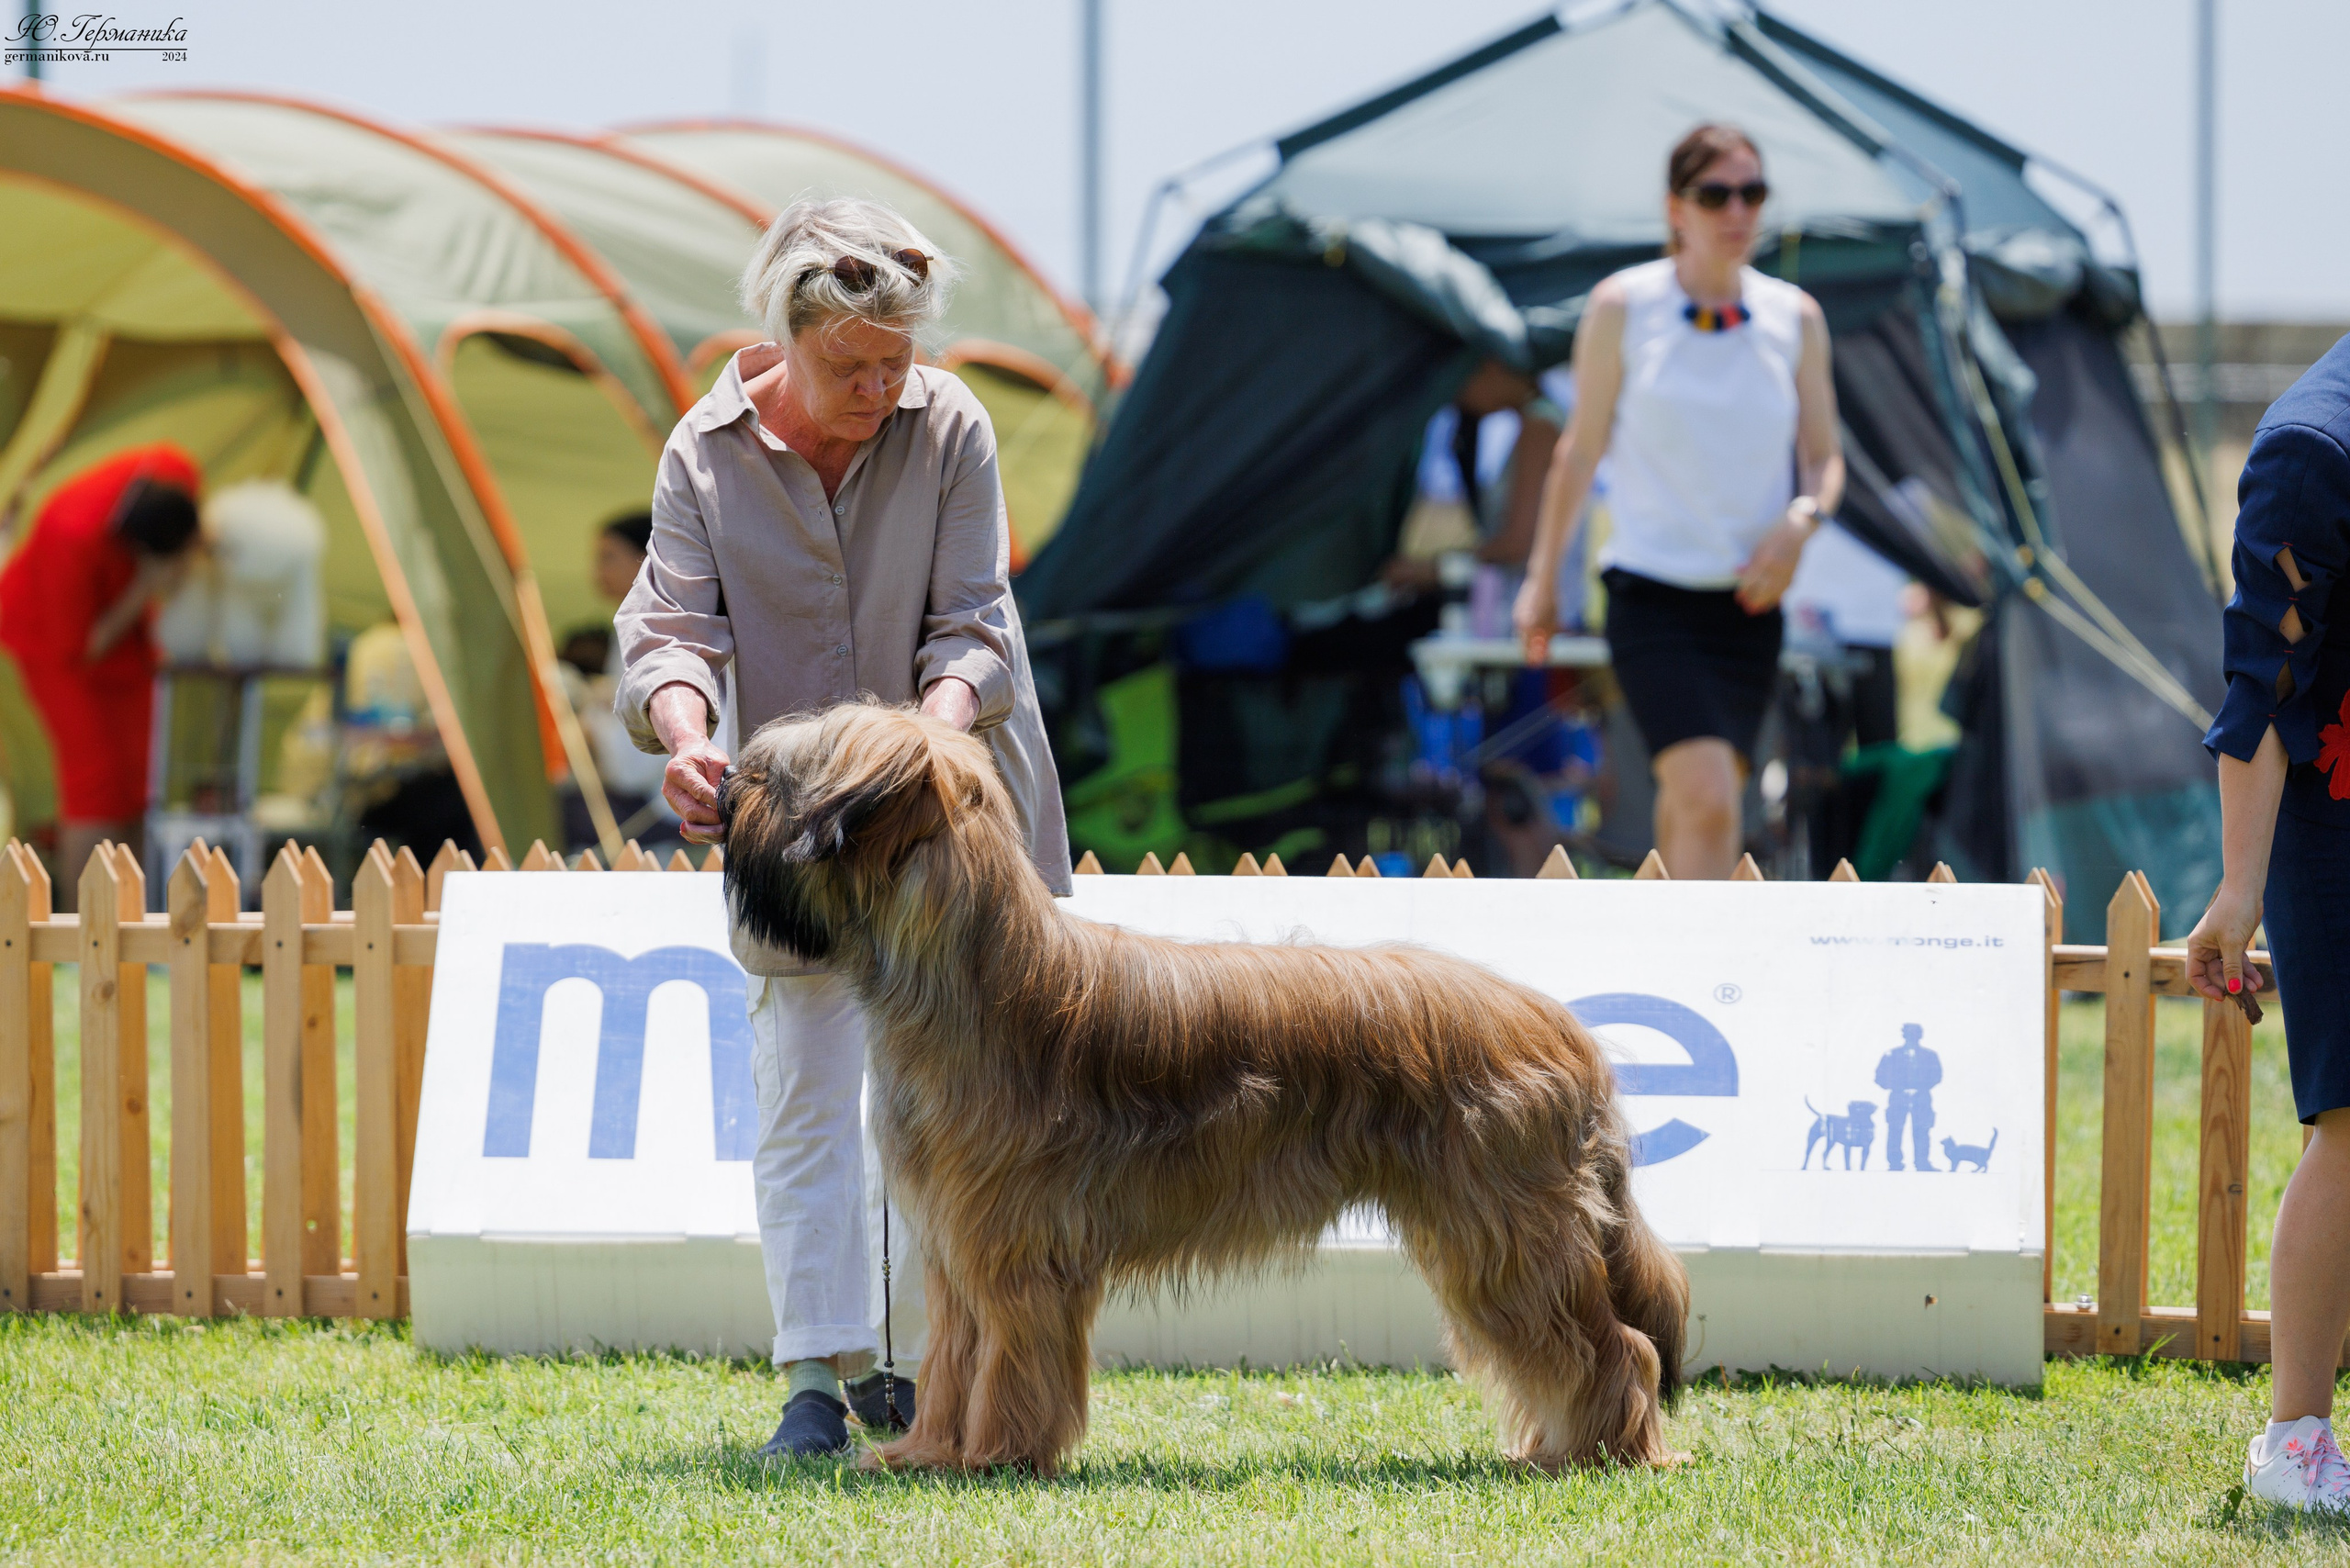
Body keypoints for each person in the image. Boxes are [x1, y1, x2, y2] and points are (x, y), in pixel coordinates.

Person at [615, 198, 1071, 1460]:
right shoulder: (702, 452)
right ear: (784, 337)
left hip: (951, 832)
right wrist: (688, 733)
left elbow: (975, 619)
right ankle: (816, 1378)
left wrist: (925, 744)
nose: (880, 388)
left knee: (970, 1110)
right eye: (850, 365)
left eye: (897, 361)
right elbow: (669, 630)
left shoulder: (953, 423)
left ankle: (937, 1375)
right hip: (799, 845)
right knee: (806, 1093)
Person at [1515, 123, 1845, 879]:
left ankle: (1662, 932)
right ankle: (1703, 951)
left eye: (1753, 193)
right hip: (1651, 595)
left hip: (1751, 604)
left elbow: (1825, 458)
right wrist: (1542, 580)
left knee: (1702, 799)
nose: (1738, 211)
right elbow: (1579, 452)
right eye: (1715, 194)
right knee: (1708, 796)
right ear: (1675, 208)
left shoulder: (1795, 317)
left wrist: (1802, 524)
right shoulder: (1623, 306)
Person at [2184, 330, 2350, 1513]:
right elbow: (2259, 692)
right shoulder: (2309, 450)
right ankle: (2295, 1441)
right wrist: (2237, 892)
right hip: (2333, 821)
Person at [0, 443, 204, 902]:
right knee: (95, 783)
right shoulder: (68, 533)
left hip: (125, 636)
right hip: (52, 641)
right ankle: (86, 919)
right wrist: (145, 587)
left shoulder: (174, 469)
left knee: (141, 780)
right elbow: (79, 649)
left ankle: (134, 912)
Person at [1874, 1023, 1941, 1172]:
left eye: (1916, 1034)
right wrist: (1899, 1088)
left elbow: (1937, 1075)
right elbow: (1880, 1076)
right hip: (1898, 1097)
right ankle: (1895, 1163)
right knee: (1895, 1130)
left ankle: (1922, 1162)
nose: (1912, 1037)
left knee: (1922, 1130)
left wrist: (1919, 1088)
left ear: (1920, 1036)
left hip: (1921, 1098)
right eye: (1909, 1034)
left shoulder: (1930, 1055)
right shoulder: (1892, 1055)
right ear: (1903, 1035)